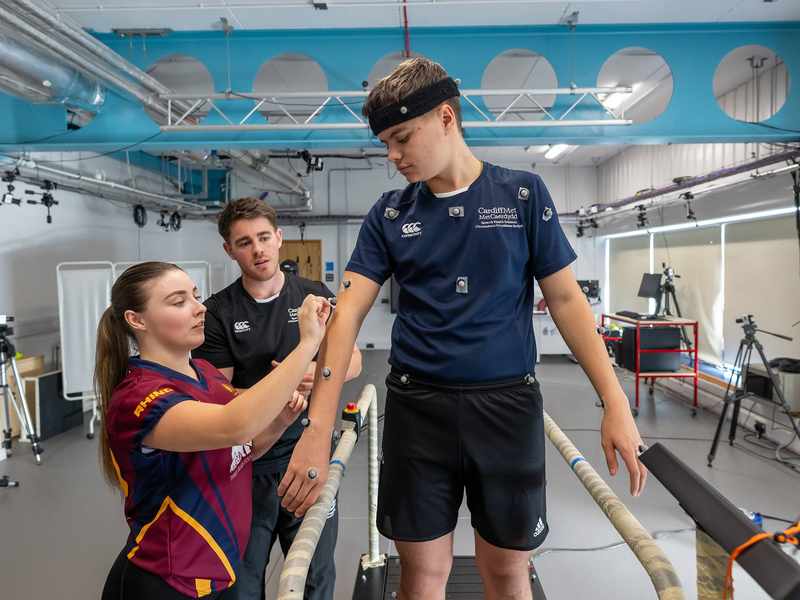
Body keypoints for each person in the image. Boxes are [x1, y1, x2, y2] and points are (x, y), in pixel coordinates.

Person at [278, 57, 648, 600]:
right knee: (423, 579)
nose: (393, 156)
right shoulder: (388, 214)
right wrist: (317, 430)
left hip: (506, 409)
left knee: (507, 575)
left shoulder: (522, 195)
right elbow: (349, 314)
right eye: (385, 142)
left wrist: (614, 402)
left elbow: (566, 300)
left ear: (446, 117)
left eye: (402, 137)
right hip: (417, 411)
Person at [97, 261, 330, 599]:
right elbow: (234, 427)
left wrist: (279, 421)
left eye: (195, 296)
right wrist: (308, 343)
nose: (199, 308)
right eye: (179, 302)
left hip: (220, 567)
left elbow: (239, 450)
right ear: (137, 320)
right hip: (170, 580)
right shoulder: (139, 396)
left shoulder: (204, 371)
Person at [193, 198, 362, 600]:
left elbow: (351, 360)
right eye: (245, 242)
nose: (259, 250)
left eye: (264, 238)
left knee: (315, 575)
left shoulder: (313, 295)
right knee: (244, 581)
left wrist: (316, 374)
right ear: (229, 250)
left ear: (280, 238)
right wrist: (280, 388)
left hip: (308, 452)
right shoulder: (218, 312)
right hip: (249, 463)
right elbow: (220, 395)